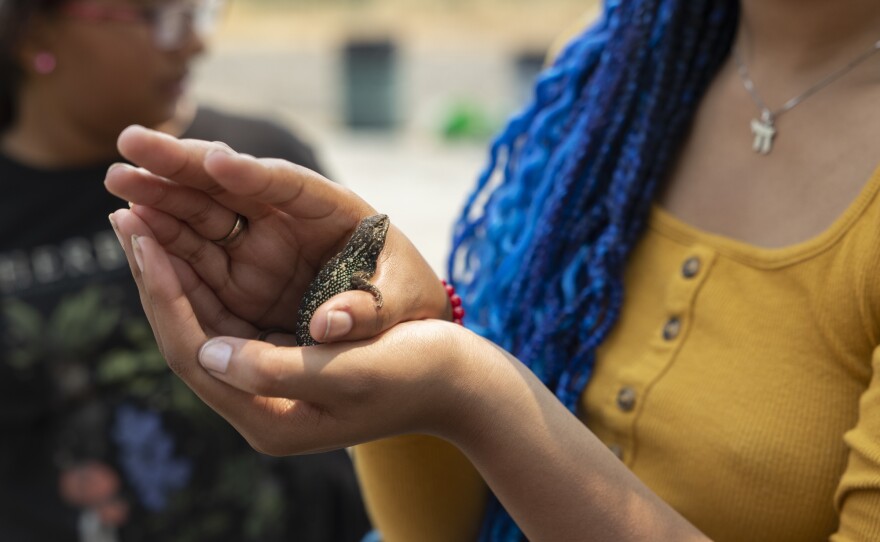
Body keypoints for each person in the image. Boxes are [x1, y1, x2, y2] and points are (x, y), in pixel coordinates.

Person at [105, 0, 880, 540]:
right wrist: (396, 330)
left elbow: (477, 401)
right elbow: (443, 532)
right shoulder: (612, 70)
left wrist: (477, 397)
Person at [0, 1, 370, 541]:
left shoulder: (257, 167)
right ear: (34, 36)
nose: (195, 43)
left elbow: (377, 365)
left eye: (194, 12)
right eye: (155, 15)